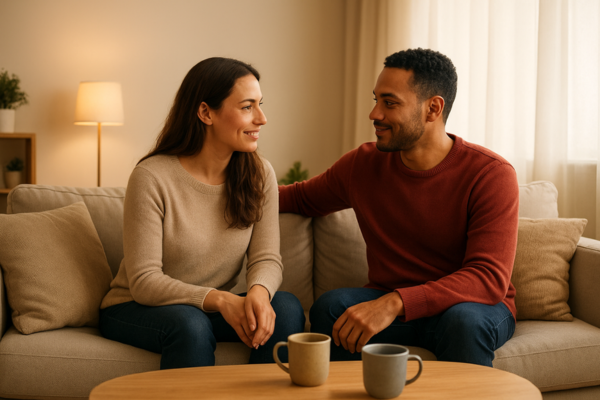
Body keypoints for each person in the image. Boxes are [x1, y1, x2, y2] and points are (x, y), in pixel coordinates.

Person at [279, 48, 519, 367]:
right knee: (331, 307)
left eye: (389, 103)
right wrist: (219, 187)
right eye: (375, 99)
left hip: (472, 306)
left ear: (433, 108)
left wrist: (395, 302)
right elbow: (299, 198)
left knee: (464, 322)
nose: (374, 113)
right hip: (399, 305)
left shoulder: (490, 174)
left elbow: (486, 278)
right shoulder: (362, 166)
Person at [99, 57, 305, 369]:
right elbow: (144, 281)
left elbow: (266, 259)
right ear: (206, 112)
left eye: (260, 104)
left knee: (286, 308)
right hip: (136, 306)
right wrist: (222, 299)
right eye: (248, 106)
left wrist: (259, 295)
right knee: (191, 323)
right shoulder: (152, 176)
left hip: (204, 308)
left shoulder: (259, 173)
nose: (262, 118)